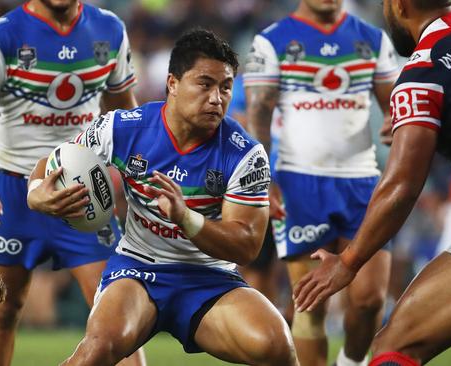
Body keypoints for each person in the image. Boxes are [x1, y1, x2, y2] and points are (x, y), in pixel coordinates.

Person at [27, 28, 298, 366]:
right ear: (172, 83)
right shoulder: (124, 127)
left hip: (209, 278)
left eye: (225, 87)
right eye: (204, 84)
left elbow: (247, 245)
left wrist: (187, 218)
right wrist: (36, 194)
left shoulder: (246, 154)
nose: (217, 98)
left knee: (276, 346)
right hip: (139, 269)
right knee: (96, 351)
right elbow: (52, 162)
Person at [293, 1, 451, 365]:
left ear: (398, 5)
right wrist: (414, 129)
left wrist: (348, 261)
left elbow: (401, 187)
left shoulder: (423, 70)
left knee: (395, 347)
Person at [0, 0, 143, 365]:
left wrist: (135, 179)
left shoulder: (110, 29)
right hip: (12, 190)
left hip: (83, 190)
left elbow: (124, 112)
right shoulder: (2, 35)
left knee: (118, 308)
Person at [244, 0, 399, 365]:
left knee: (370, 300)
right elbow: (258, 113)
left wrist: (399, 119)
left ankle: (351, 361)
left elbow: (396, 104)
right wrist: (262, 178)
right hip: (300, 184)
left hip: (363, 181)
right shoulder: (272, 41)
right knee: (310, 304)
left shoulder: (373, 39)